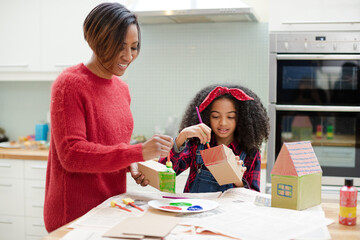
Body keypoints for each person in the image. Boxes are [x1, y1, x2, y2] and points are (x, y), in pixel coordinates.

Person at [44, 3, 173, 232]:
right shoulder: (70, 84)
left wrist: (131, 165)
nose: (128, 56)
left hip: (111, 207)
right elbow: (72, 154)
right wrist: (138, 152)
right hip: (74, 216)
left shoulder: (122, 89)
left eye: (134, 47)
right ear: (98, 41)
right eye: (120, 46)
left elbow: (109, 148)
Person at [159, 84, 270, 193]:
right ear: (206, 117)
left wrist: (237, 181)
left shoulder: (250, 152)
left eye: (231, 117)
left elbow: (253, 198)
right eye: (216, 116)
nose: (223, 123)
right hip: (195, 210)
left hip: (229, 211)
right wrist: (182, 137)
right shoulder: (197, 144)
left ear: (241, 119)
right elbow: (164, 172)